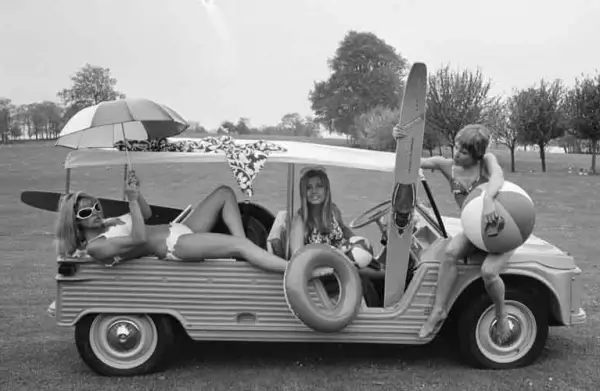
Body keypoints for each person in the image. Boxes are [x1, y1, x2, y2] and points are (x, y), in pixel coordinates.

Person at [394, 123, 511, 341]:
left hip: (501, 228)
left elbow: (498, 177)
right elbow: (407, 164)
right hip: (474, 230)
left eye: (464, 152)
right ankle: (439, 310)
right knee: (450, 253)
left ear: (477, 155)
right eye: (455, 147)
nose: (456, 154)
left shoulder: (486, 163)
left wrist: (487, 200)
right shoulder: (445, 165)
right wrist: (400, 140)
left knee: (489, 272)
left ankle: (502, 315)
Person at [54, 170, 289, 273]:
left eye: (96, 206)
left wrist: (136, 192)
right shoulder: (98, 247)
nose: (95, 213)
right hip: (175, 245)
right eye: (85, 213)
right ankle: (291, 268)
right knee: (241, 245)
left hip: (179, 229)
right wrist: (132, 201)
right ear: (74, 223)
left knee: (225, 193)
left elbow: (144, 215)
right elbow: (139, 237)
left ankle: (245, 254)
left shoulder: (108, 223)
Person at [288, 166, 382, 307]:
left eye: (319, 186)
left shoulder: (333, 210)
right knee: (371, 277)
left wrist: (359, 245)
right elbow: (297, 258)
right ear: (303, 192)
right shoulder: (300, 220)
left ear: (326, 190)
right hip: (323, 273)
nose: (314, 192)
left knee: (377, 268)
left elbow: (344, 230)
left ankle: (384, 308)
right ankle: (376, 318)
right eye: (309, 188)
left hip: (343, 261)